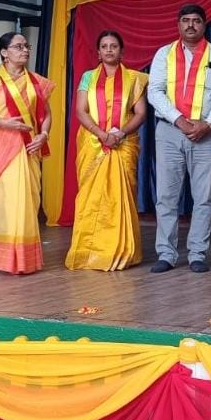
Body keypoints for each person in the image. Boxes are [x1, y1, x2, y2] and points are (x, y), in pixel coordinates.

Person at [147, 4, 211, 273]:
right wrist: (179, 120)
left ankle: (197, 254)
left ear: (204, 25)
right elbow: (155, 92)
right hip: (170, 131)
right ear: (178, 25)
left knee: (204, 197)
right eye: (185, 20)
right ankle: (166, 254)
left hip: (207, 132)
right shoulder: (163, 54)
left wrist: (208, 124)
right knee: (166, 196)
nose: (190, 25)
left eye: (196, 21)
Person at [0, 32, 54, 274]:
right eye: (18, 47)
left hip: (27, 148)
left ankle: (21, 258)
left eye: (26, 46)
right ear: (4, 53)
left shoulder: (37, 82)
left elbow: (46, 115)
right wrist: (3, 123)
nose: (25, 50)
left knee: (24, 202)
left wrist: (44, 135)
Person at [65, 30, 148, 271]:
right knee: (90, 198)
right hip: (93, 143)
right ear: (98, 53)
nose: (109, 49)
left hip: (124, 143)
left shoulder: (134, 79)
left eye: (114, 46)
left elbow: (141, 113)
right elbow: (81, 110)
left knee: (119, 198)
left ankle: (120, 251)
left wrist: (119, 134)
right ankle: (87, 251)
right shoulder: (87, 78)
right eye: (104, 46)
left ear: (122, 51)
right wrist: (101, 135)